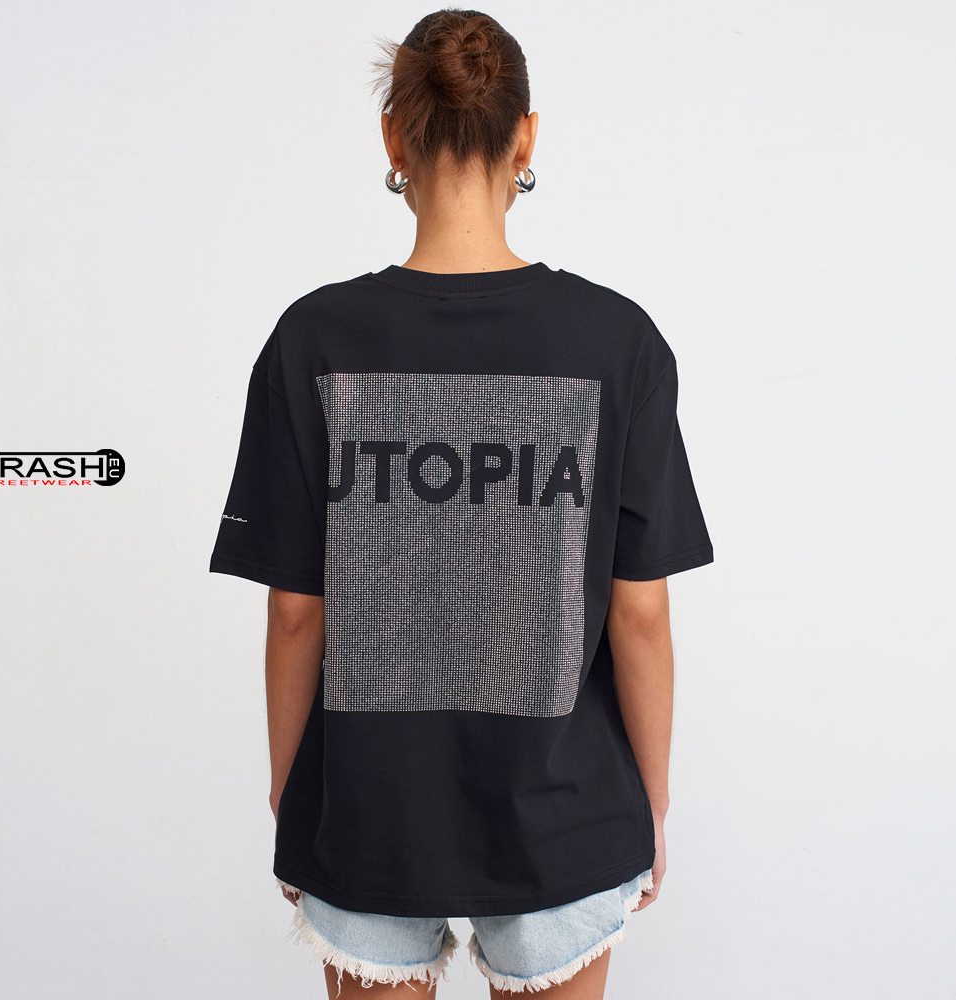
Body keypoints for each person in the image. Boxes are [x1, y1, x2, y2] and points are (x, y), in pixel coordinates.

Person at [208, 8, 714, 998]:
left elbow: (296, 610)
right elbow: (641, 613)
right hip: (566, 810)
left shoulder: (313, 340)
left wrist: (292, 796)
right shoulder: (617, 342)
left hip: (364, 808)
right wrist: (650, 801)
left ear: (392, 137)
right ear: (526, 136)